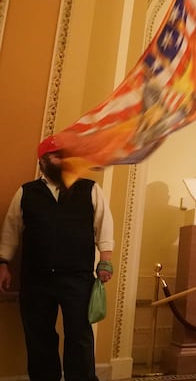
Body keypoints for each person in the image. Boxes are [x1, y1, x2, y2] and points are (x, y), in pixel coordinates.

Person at [0, 135, 114, 381]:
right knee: (39, 336)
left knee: (80, 336)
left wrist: (105, 260)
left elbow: (104, 226)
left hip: (78, 278)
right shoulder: (26, 192)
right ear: (42, 161)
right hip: (36, 280)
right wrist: (3, 264)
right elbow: (10, 231)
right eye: (55, 155)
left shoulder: (90, 189)